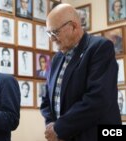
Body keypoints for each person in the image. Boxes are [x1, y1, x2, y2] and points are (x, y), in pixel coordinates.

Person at [41, 4, 121, 141]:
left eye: (55, 32)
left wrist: (60, 128)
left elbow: (97, 99)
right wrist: (51, 126)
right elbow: (46, 100)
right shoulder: (56, 59)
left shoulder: (100, 48)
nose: (52, 39)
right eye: (49, 33)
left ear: (73, 26)